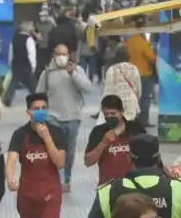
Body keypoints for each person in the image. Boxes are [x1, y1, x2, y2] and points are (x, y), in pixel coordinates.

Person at [6, 92, 67, 218]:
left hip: (50, 193)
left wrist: (47, 137)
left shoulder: (57, 133)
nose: (41, 112)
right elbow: (12, 159)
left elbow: (60, 162)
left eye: (44, 108)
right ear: (28, 112)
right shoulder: (20, 134)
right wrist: (10, 177)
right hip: (28, 195)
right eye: (36, 109)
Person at [35, 42, 94, 188]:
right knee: (54, 150)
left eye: (64, 54)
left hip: (73, 117)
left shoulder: (77, 70)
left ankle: (66, 178)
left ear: (68, 56)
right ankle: (56, 177)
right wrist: (38, 119)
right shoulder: (47, 73)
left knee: (70, 151)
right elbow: (39, 96)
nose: (61, 57)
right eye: (58, 54)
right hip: (53, 118)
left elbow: (87, 88)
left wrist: (73, 74)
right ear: (53, 56)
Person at [84, 95, 145, 186]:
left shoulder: (135, 129)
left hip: (133, 185)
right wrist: (103, 143)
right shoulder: (98, 131)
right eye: (106, 114)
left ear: (121, 112)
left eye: (113, 113)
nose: (109, 117)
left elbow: (148, 157)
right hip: (107, 186)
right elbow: (88, 162)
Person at [102, 45, 142, 122]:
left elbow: (108, 89)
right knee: (129, 124)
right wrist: (136, 98)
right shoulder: (133, 68)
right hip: (130, 101)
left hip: (116, 102)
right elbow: (138, 88)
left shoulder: (111, 69)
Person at [127, 33, 157, 128]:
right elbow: (151, 58)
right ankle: (143, 120)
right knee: (145, 98)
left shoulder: (129, 42)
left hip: (132, 74)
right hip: (144, 74)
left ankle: (132, 119)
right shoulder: (143, 43)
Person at [5, 22, 38, 106]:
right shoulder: (29, 39)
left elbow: (11, 52)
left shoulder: (14, 38)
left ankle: (7, 98)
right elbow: (31, 53)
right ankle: (36, 98)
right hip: (26, 64)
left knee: (14, 82)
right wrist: (33, 65)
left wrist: (10, 62)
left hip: (16, 63)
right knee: (31, 84)